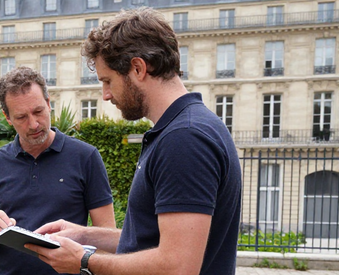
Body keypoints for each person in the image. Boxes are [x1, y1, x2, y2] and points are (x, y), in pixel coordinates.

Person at [25, 7, 242, 275]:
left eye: (108, 81)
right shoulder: (186, 128)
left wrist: (84, 261)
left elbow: (179, 266)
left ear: (138, 68)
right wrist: (85, 236)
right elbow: (150, 242)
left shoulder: (184, 139)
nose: (105, 95)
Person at [0, 66, 116, 275]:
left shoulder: (85, 157)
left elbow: (107, 237)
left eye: (38, 111)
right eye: (21, 117)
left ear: (48, 104)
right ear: (8, 117)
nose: (34, 123)